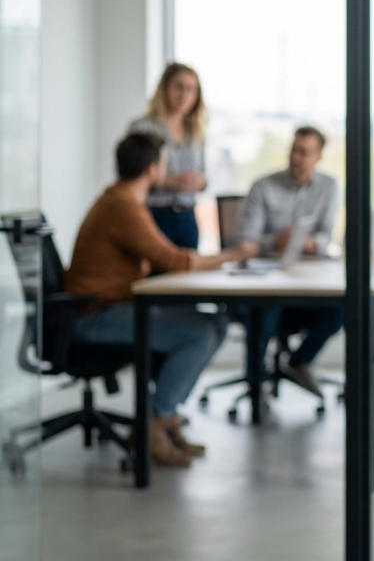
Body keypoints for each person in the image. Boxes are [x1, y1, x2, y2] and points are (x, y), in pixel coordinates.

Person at [65, 133, 256, 466]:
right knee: (198, 333)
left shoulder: (121, 200)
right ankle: (154, 423)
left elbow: (161, 259)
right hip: (96, 315)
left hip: (111, 307)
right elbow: (171, 260)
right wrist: (232, 255)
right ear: (153, 170)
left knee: (215, 322)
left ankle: (164, 418)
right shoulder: (122, 206)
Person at [237, 126, 342, 395]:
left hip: (307, 279)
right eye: (293, 150)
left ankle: (299, 361)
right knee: (265, 309)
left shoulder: (329, 187)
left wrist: (308, 242)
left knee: (345, 306)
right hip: (267, 279)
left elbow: (325, 236)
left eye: (304, 152)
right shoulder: (263, 187)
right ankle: (256, 384)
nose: (295, 157)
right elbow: (247, 239)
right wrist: (276, 241)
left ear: (318, 157)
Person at [128, 63, 208, 248]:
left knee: (187, 274)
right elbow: (131, 177)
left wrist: (198, 182)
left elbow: (205, 177)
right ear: (165, 88)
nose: (184, 95)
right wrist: (171, 181)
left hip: (187, 217)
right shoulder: (143, 127)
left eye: (191, 89)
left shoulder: (196, 132)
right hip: (154, 215)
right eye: (179, 87)